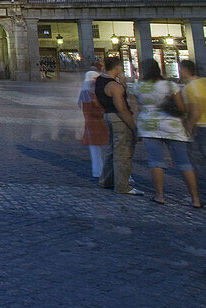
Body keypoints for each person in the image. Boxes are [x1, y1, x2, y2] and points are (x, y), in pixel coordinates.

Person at [132, 58, 201, 207]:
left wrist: (136, 128)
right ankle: (195, 199)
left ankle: (160, 196)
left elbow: (137, 109)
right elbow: (182, 108)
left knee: (156, 161)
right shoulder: (171, 85)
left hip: (149, 127)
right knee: (184, 162)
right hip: (172, 126)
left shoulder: (138, 87)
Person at [95, 56, 143, 195]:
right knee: (123, 152)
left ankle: (106, 180)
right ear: (117, 67)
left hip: (108, 116)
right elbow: (122, 108)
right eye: (121, 66)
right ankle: (122, 186)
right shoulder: (114, 86)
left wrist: (124, 85)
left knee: (112, 150)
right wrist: (133, 127)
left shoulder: (100, 80)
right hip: (118, 118)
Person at [78, 60, 108, 178]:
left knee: (95, 148)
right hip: (100, 124)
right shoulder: (93, 94)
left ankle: (97, 171)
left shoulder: (84, 95)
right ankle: (104, 170)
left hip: (91, 125)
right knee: (105, 147)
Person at [180, 59, 206, 172]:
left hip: (201, 126)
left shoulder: (189, 88)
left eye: (180, 69)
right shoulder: (204, 81)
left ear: (185, 70)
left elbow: (195, 112)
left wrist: (188, 128)